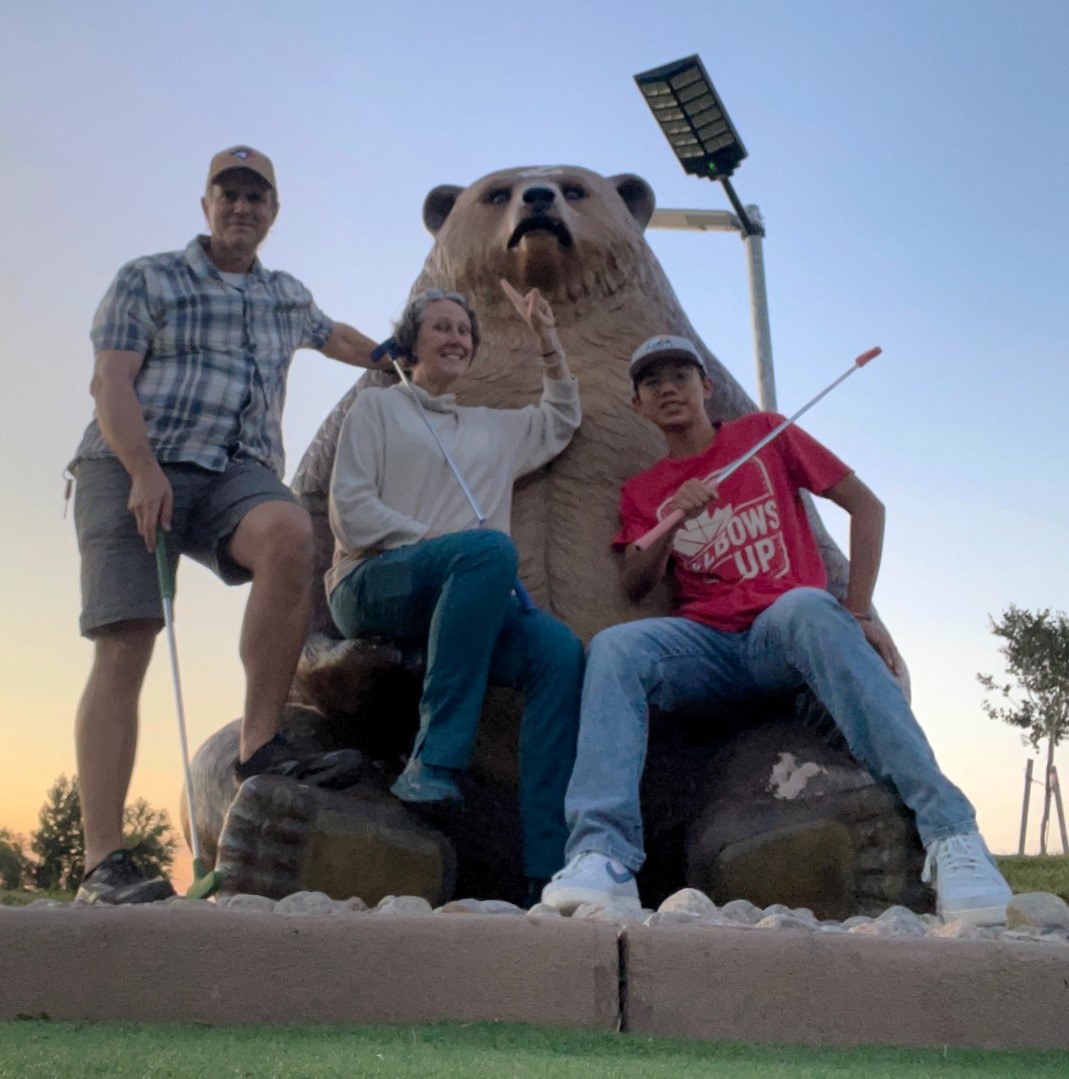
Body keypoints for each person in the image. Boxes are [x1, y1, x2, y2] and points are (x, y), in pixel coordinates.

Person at [541, 335, 1012, 926]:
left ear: (706, 387)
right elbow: (636, 581)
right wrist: (673, 518)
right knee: (615, 647)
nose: (668, 389)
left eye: (680, 376)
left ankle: (953, 834)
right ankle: (602, 856)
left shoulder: (764, 433)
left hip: (782, 632)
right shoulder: (644, 490)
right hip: (707, 648)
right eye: (652, 382)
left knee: (807, 607)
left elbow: (867, 506)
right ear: (638, 404)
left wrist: (859, 612)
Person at [71, 146, 380, 904]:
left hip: (234, 469)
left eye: (256, 196)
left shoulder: (285, 295)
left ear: (273, 211)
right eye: (228, 194)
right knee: (127, 641)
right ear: (206, 204)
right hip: (133, 457)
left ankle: (259, 744)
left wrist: (400, 354)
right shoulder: (149, 277)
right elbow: (111, 379)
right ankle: (101, 861)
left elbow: (336, 336)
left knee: (290, 532)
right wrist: (143, 469)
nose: (242, 207)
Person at [326, 282, 584, 904]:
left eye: (464, 331)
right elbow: (350, 512)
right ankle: (433, 763)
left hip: (471, 598)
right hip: (374, 582)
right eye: (442, 327)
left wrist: (549, 340)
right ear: (410, 343)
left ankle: (547, 869)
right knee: (488, 549)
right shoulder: (377, 409)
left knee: (559, 652)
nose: (457, 338)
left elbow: (561, 419)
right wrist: (433, 541)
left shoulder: (492, 428)